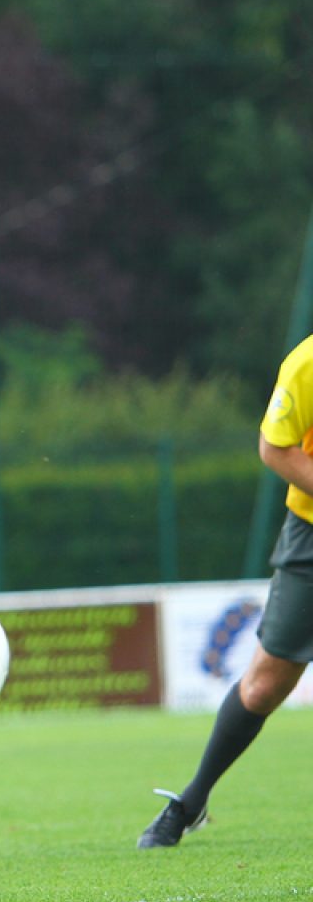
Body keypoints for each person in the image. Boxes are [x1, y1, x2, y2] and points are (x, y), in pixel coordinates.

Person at [138, 333, 313, 848]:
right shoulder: (307, 362)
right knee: (263, 686)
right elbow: (274, 448)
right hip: (311, 536)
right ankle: (191, 801)